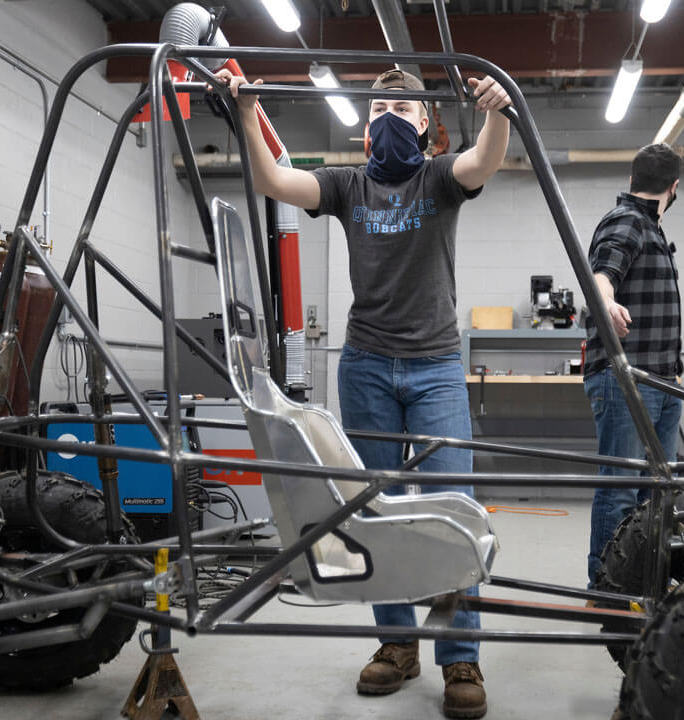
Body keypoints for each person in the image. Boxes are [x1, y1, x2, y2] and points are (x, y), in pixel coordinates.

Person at [212, 66, 511, 719]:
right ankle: (396, 644)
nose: (386, 118)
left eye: (401, 106)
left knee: (452, 508)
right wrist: (246, 114)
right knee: (372, 507)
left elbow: (487, 158)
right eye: (377, 107)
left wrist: (497, 110)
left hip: (434, 366)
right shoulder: (348, 186)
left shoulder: (439, 177)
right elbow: (272, 181)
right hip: (367, 364)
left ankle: (460, 655)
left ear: (426, 122)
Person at [582, 143, 684, 587]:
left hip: (661, 381)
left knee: (654, 493)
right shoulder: (628, 221)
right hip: (627, 381)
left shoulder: (652, 228)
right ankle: (605, 589)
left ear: (632, 179)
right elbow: (601, 274)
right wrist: (606, 303)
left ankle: (641, 582)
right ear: (674, 188)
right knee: (621, 488)